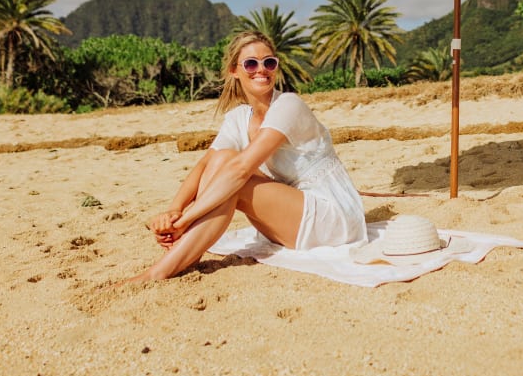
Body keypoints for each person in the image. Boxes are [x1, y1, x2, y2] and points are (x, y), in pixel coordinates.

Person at [123, 30, 367, 283]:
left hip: (332, 216)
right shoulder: (239, 118)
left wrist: (186, 220)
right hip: (292, 213)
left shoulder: (288, 105)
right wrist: (174, 210)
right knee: (221, 159)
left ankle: (159, 271)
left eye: (269, 62)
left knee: (235, 180)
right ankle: (185, 254)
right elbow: (206, 163)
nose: (261, 70)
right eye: (251, 63)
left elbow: (241, 170)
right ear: (234, 70)